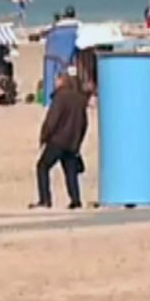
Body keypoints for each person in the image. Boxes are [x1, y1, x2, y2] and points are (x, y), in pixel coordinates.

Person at [30, 71, 88, 210]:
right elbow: (84, 123)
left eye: (57, 79)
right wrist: (78, 141)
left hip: (57, 140)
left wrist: (44, 136)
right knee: (70, 172)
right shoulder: (80, 99)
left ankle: (45, 199)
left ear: (62, 81)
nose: (55, 82)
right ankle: (75, 200)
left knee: (42, 166)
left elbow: (52, 120)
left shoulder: (60, 97)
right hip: (72, 142)